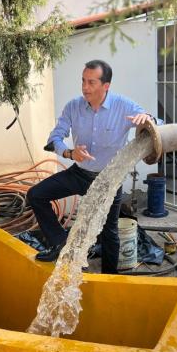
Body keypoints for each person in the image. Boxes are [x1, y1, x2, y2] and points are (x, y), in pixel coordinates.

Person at [27, 59, 157, 274]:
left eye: (91, 82)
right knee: (35, 195)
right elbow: (54, 139)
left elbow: (156, 124)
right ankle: (60, 242)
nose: (85, 87)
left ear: (106, 86)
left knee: (109, 232)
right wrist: (70, 152)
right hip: (79, 174)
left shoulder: (123, 106)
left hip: (109, 179)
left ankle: (110, 278)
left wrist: (149, 118)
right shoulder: (73, 106)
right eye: (83, 81)